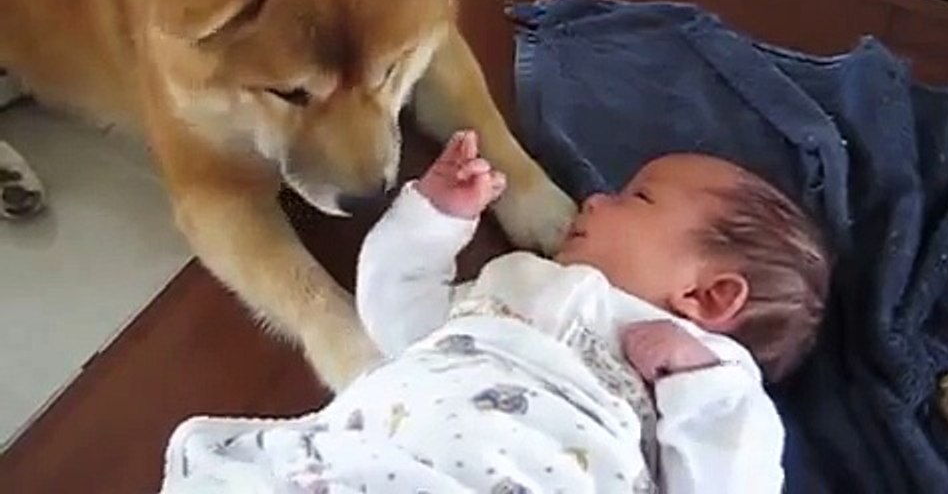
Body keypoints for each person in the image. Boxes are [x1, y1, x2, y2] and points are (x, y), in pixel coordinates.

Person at [160, 131, 831, 494]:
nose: (596, 198)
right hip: (361, 457)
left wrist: (697, 383)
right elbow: (397, 316)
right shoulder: (514, 282)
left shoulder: (716, 384)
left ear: (710, 296)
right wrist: (432, 219)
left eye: (638, 198)